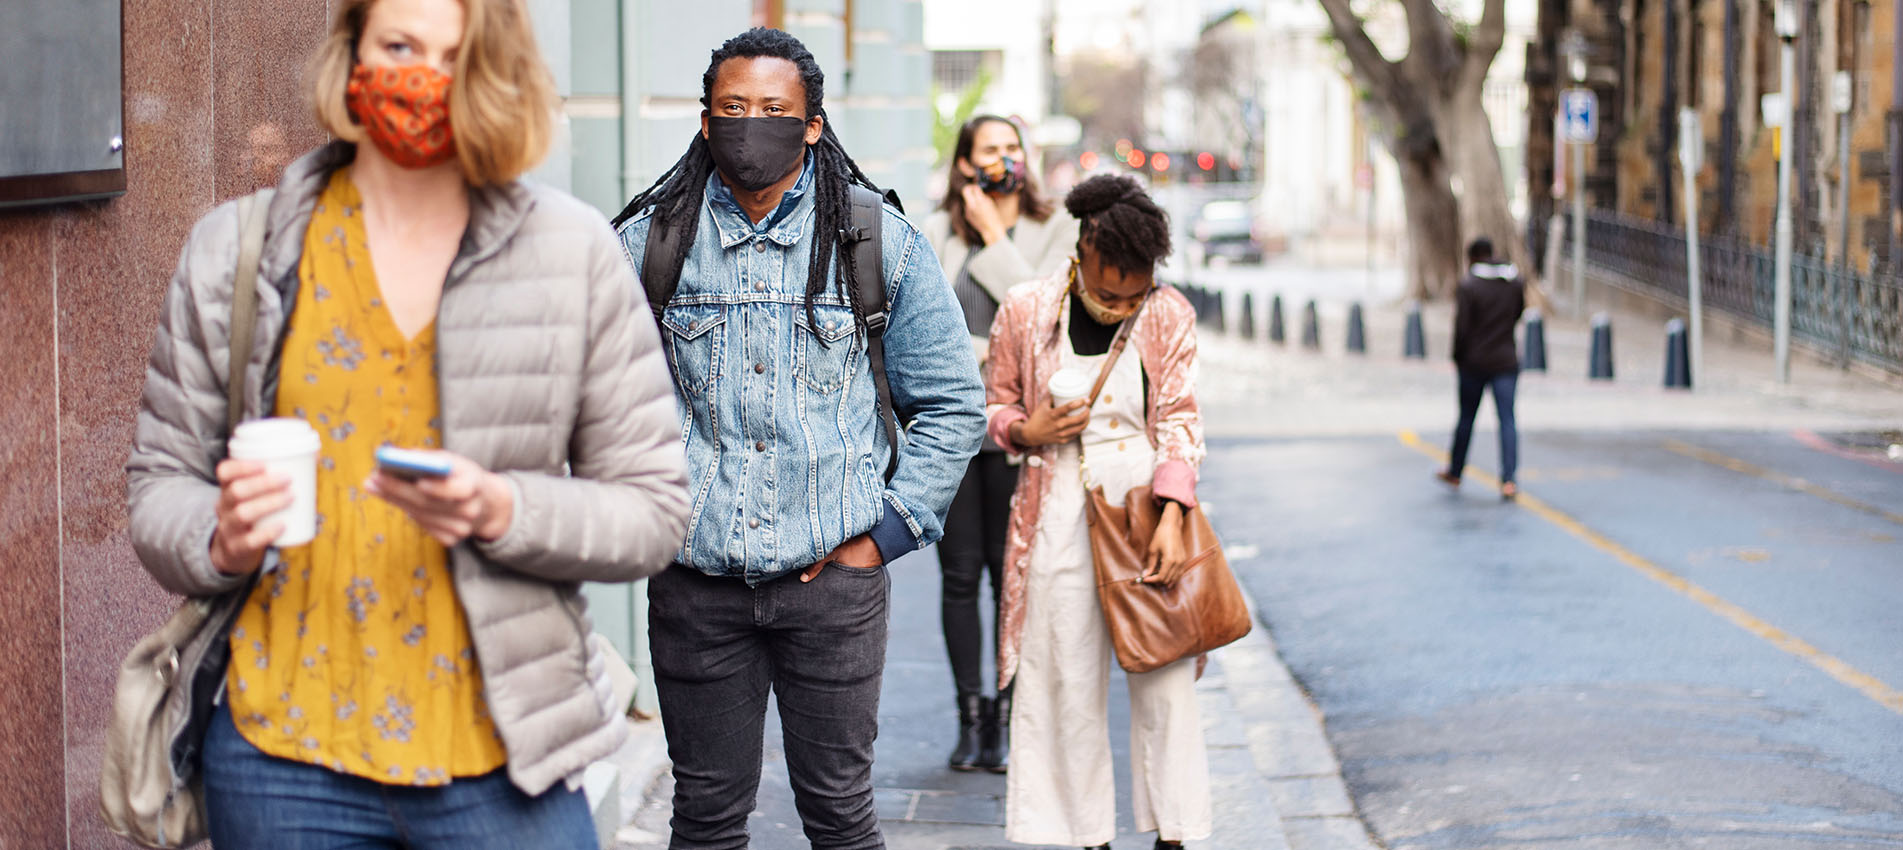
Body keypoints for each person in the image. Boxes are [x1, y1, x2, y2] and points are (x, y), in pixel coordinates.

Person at [123, 0, 691, 845]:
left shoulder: (572, 255)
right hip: (282, 756)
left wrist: (503, 508)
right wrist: (220, 536)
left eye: (457, 57)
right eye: (399, 46)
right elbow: (158, 486)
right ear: (351, 55)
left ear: (496, 75)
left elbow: (654, 511)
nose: (425, 78)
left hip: (501, 759)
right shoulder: (237, 251)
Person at [611, 28, 985, 850]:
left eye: (774, 109)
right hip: (695, 587)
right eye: (733, 107)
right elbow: (597, 403)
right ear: (705, 122)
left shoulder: (875, 240)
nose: (753, 124)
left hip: (834, 590)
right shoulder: (649, 244)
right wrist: (647, 517)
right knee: (705, 819)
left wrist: (883, 536)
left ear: (812, 124)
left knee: (840, 816)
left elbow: (954, 404)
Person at [984, 174, 1211, 850]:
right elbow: (992, 402)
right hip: (1053, 504)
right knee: (1065, 675)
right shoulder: (1026, 308)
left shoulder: (1167, 313)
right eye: (1108, 295)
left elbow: (1179, 417)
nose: (1120, 308)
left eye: (1133, 295)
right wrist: (1025, 430)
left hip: (1146, 507)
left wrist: (1172, 516)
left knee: (1166, 677)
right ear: (1082, 250)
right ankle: (1083, 836)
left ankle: (1175, 833)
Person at [921, 115, 1079, 773]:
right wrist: (982, 351)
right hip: (954, 427)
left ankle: (1010, 717)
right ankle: (971, 720)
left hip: (1024, 429)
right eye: (990, 150)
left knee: (1012, 577)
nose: (1004, 159)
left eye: (1013, 148)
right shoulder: (936, 231)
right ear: (965, 163)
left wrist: (992, 233)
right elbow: (919, 324)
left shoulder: (1056, 225)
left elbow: (1044, 313)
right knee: (960, 576)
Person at [1437, 237, 1526, 500]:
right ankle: (1509, 479)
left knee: (1466, 418)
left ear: (1472, 258)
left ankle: (1455, 471)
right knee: (1507, 420)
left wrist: (1457, 357)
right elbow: (1518, 313)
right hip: (1505, 361)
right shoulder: (1514, 282)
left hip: (1473, 363)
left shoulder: (1469, 285)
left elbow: (1461, 328)